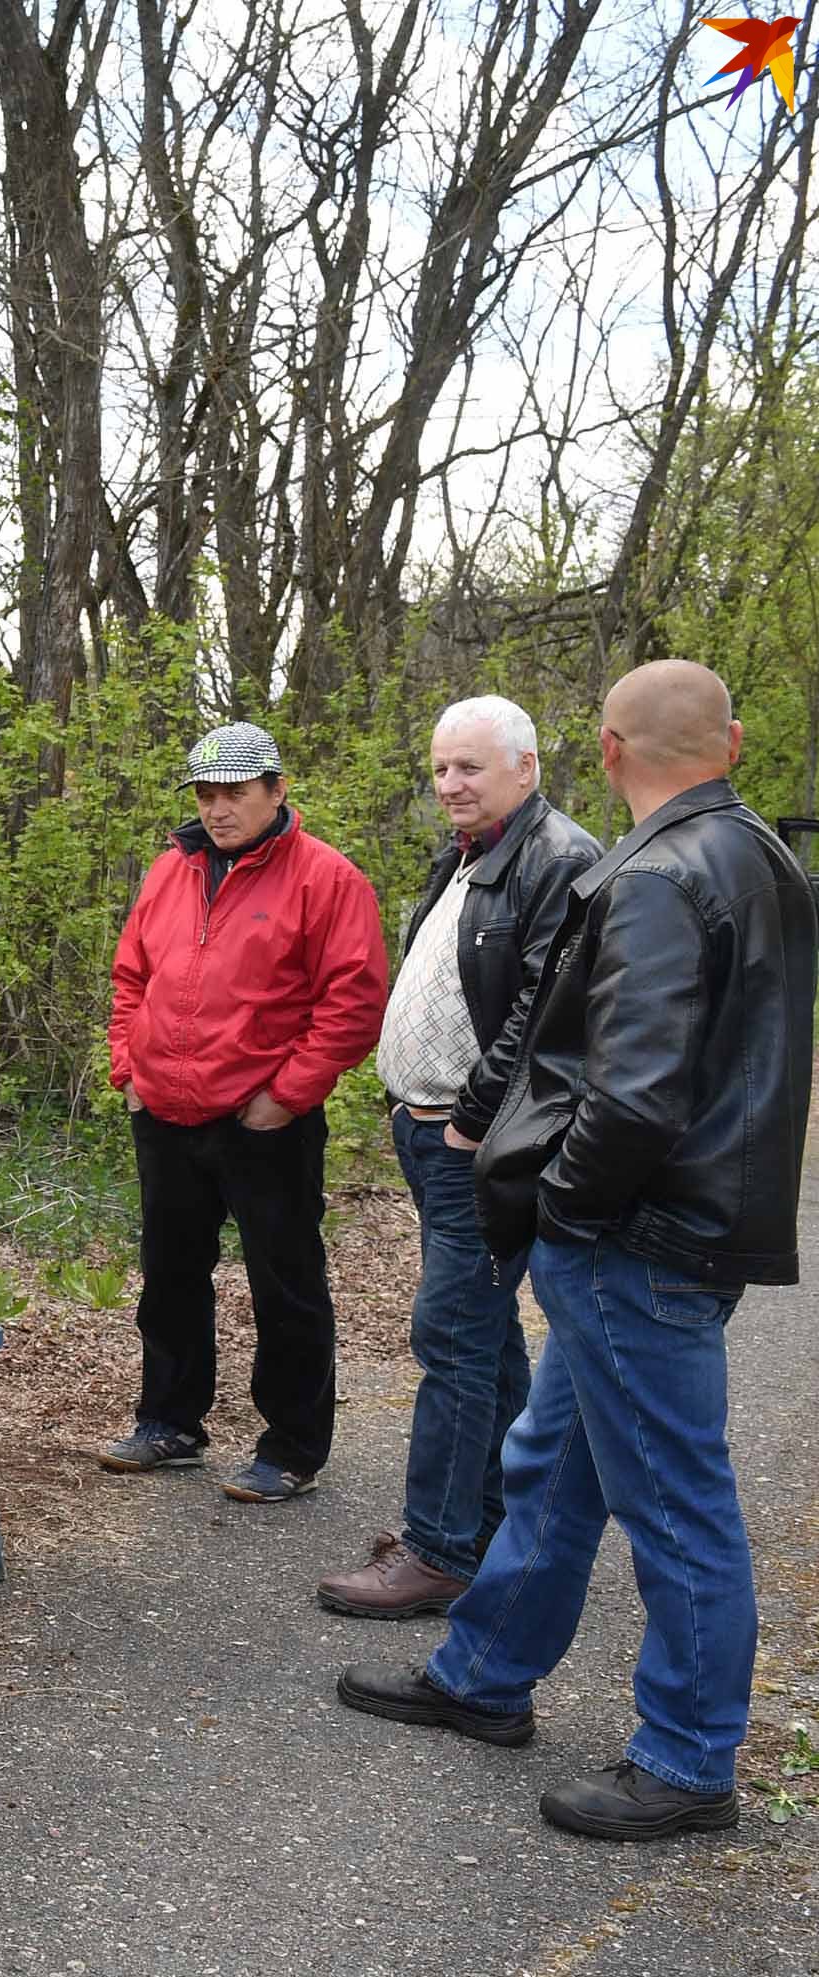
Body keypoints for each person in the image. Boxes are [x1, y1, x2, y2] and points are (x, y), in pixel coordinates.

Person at [339, 660, 814, 1842]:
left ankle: (690, 1759)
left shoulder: (662, 875)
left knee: (676, 1503)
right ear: (735, 741)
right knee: (552, 1463)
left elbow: (637, 1096)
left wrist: (564, 1208)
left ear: (603, 751)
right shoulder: (762, 854)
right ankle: (485, 1676)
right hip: (675, 1232)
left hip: (641, 1241)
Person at [317, 698, 600, 1619]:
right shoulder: (473, 852)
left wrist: (474, 1119)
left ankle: (436, 1550)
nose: (450, 785)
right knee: (486, 1337)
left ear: (526, 765)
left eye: (470, 768)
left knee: (451, 1338)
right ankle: (484, 1526)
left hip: (474, 1143)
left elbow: (544, 1010)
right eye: (440, 768)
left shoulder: (559, 858)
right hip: (430, 1130)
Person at [101, 721, 387, 1503]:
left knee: (285, 1282)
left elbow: (354, 1003)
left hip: (265, 1120)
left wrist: (286, 1095)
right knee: (170, 1274)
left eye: (235, 793)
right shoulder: (171, 870)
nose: (218, 809)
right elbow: (132, 975)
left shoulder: (327, 879)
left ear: (277, 789)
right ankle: (170, 1421)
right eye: (206, 794)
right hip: (164, 1109)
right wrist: (129, 1068)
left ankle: (292, 1445)